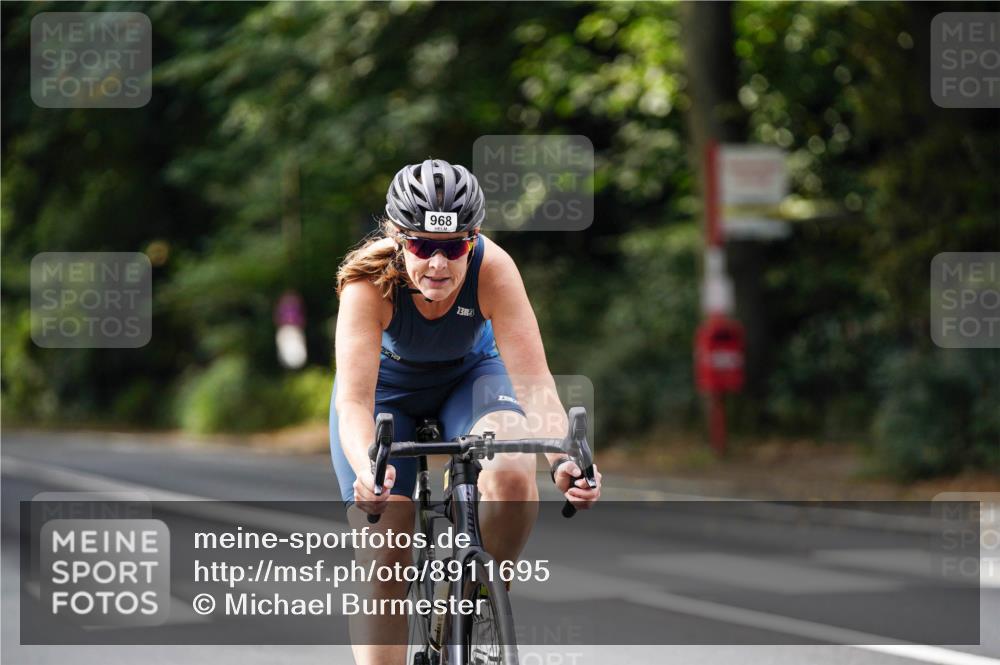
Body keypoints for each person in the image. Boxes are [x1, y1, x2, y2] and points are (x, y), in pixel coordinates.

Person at [329, 158, 602, 665]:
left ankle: (475, 600)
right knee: (387, 542)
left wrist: (564, 461)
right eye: (422, 246)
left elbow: (535, 383)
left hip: (470, 379)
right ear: (396, 237)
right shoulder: (368, 282)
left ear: (473, 239)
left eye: (454, 246)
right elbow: (353, 401)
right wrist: (369, 468)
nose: (438, 264)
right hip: (387, 396)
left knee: (515, 477)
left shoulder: (494, 268)